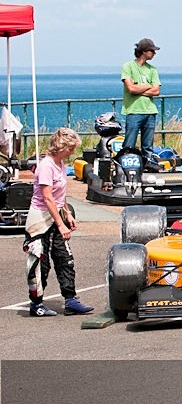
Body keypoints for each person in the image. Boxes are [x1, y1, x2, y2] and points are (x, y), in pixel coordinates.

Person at [23, 128, 94, 317]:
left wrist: (68, 214)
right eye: (70, 148)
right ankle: (36, 303)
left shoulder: (60, 163)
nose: (72, 152)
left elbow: (59, 195)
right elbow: (47, 198)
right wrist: (60, 225)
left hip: (56, 213)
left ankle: (71, 300)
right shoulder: (46, 166)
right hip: (40, 217)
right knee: (39, 260)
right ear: (61, 146)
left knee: (65, 258)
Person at [121, 38, 161, 154]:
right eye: (152, 51)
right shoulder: (128, 66)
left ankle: (147, 163)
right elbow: (131, 88)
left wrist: (139, 88)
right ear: (144, 51)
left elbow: (156, 91)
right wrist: (148, 86)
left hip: (150, 111)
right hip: (134, 110)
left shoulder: (152, 69)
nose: (154, 53)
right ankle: (127, 163)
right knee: (129, 144)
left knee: (148, 146)